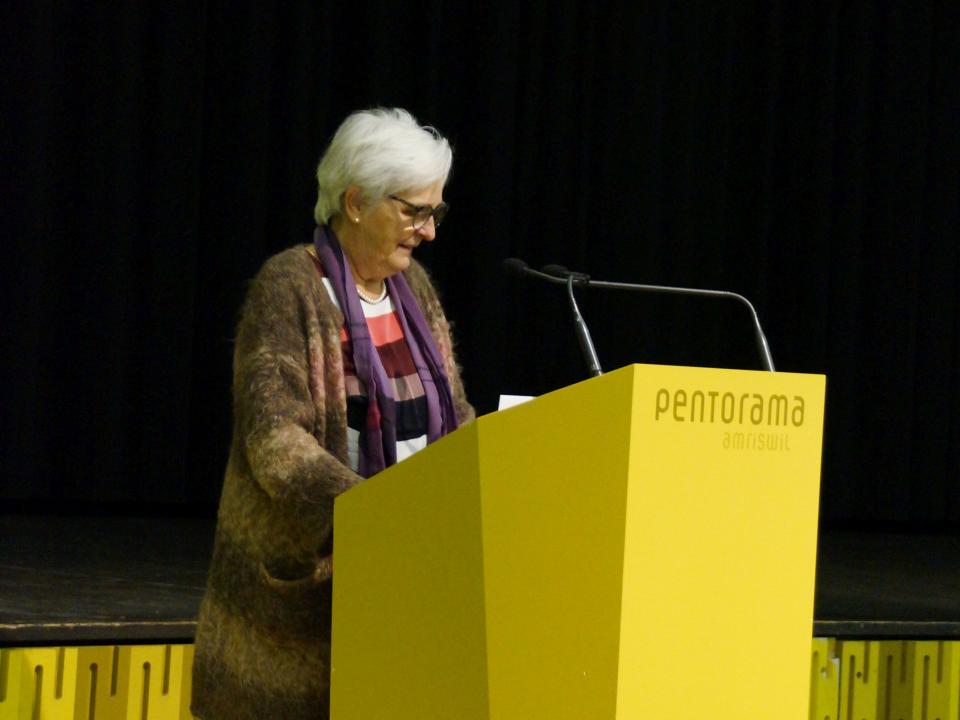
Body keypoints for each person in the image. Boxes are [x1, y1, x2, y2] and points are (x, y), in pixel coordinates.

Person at [191, 108, 474, 720]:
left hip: (403, 585)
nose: (429, 231)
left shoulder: (415, 291)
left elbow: (453, 414)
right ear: (353, 202)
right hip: (299, 606)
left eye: (436, 212)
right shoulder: (289, 287)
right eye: (413, 211)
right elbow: (275, 440)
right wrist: (374, 515)